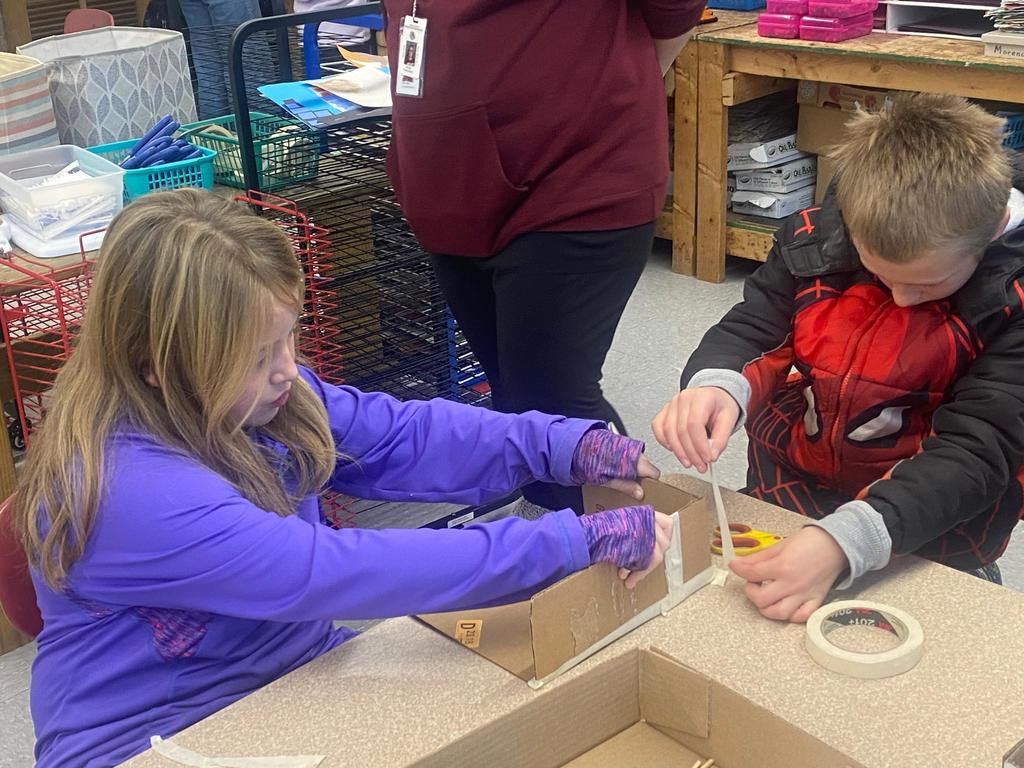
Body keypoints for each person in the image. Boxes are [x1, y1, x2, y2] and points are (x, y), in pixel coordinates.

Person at [15, 189, 672, 767]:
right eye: (255, 356)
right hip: (153, 735)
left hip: (290, 672)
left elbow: (401, 436)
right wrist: (569, 542)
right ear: (154, 365)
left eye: (286, 339)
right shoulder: (128, 490)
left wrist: (565, 445)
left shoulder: (253, 393)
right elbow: (331, 572)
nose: (286, 370)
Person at [653, 93, 1024, 622]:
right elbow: (757, 327)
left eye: (927, 284)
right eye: (880, 274)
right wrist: (715, 385)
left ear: (988, 236)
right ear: (851, 223)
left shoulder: (1012, 301)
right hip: (787, 496)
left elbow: (978, 451)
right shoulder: (816, 241)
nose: (900, 297)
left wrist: (846, 540)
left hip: (929, 537)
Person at [380, 0, 703, 517]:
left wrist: (612, 84)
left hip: (574, 172)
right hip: (446, 181)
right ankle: (555, 528)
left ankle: (611, 545)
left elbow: (674, 11)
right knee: (515, 395)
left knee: (553, 397)